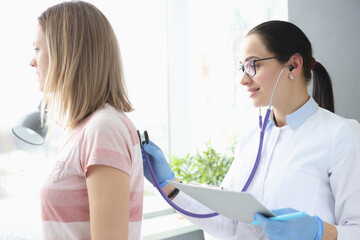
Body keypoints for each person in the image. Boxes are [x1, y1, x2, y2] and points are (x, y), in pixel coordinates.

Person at [142, 20, 360, 239]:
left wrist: (320, 232)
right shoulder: (251, 135)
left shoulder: (341, 135)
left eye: (253, 65)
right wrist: (169, 185)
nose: (244, 79)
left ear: (293, 65)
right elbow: (228, 222)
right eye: (242, 67)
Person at [29, 1, 143, 239]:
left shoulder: (104, 128)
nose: (32, 61)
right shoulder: (82, 129)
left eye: (37, 49)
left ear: (67, 52)